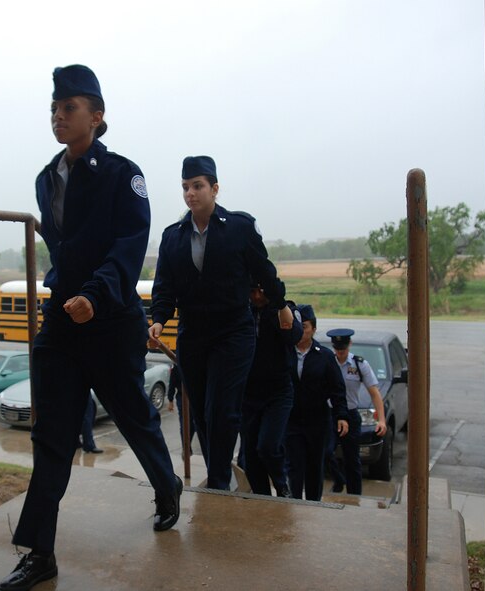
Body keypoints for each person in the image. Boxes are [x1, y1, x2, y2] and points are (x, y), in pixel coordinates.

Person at [0, 65, 182, 591]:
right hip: (62, 321)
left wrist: (95, 294)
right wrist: (66, 294)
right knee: (51, 436)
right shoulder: (45, 178)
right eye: (54, 109)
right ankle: (39, 553)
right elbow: (61, 248)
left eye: (70, 108)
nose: (59, 116)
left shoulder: (124, 174)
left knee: (132, 415)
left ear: (96, 117)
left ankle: (166, 484)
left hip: (110, 319)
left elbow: (129, 244)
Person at [148, 155, 293, 490]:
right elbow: (164, 286)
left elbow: (264, 271)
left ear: (214, 188)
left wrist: (281, 305)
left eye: (197, 186)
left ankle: (217, 480)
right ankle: (218, 472)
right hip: (193, 334)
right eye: (185, 187)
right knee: (200, 411)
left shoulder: (239, 228)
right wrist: (158, 320)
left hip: (233, 332)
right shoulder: (173, 237)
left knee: (223, 410)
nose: (190, 193)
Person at [242, 286, 302, 497]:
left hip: (278, 392)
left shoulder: (285, 309)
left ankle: (281, 485)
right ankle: (262, 498)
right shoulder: (243, 310)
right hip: (248, 393)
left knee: (267, 446)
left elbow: (294, 335)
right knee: (250, 456)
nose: (257, 296)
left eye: (261, 290)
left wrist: (279, 302)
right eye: (252, 291)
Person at [285, 305, 349, 501]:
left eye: (304, 327)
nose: (301, 331)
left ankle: (314, 503)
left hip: (317, 422)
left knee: (315, 466)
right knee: (295, 466)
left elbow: (337, 389)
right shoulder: (285, 351)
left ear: (313, 329)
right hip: (291, 420)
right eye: (298, 326)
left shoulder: (325, 356)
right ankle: (295, 502)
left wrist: (341, 416)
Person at [325, 328, 387, 494]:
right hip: (331, 414)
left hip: (351, 414)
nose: (340, 353)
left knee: (352, 459)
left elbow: (374, 392)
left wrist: (381, 420)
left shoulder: (359, 364)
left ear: (349, 345)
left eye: (343, 349)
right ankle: (339, 480)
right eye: (337, 349)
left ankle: (354, 495)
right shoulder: (328, 362)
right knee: (326, 451)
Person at [166, 362, 196, 445]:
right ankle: (185, 447)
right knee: (184, 422)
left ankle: (187, 445)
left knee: (193, 423)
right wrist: (170, 400)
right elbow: (172, 382)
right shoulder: (177, 364)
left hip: (195, 396)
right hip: (182, 396)